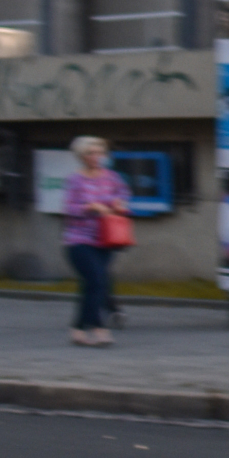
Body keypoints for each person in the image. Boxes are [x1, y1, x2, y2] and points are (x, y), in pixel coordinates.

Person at [60, 135, 131, 347]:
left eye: (99, 152)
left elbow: (124, 195)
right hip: (79, 240)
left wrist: (119, 203)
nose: (95, 157)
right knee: (98, 281)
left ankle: (78, 330)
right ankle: (99, 328)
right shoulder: (75, 179)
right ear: (81, 156)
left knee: (92, 285)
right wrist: (89, 207)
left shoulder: (111, 177)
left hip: (106, 239)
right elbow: (69, 209)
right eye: (90, 153)